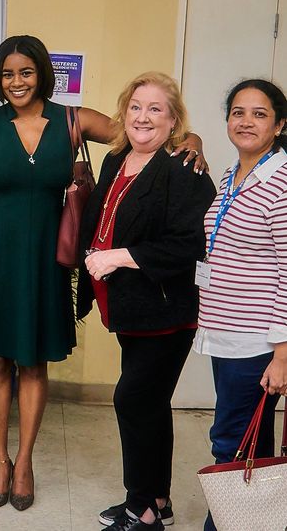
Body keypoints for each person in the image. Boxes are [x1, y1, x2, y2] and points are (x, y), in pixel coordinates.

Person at [0, 36, 206, 511]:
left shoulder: (73, 120)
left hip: (47, 257)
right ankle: (0, 460)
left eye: (25, 72)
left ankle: (25, 460)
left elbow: (139, 132)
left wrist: (192, 139)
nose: (16, 81)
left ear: (42, 73)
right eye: (7, 73)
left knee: (32, 360)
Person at [76, 72, 215, 531]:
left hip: (165, 312)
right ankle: (158, 498)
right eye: (136, 106)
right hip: (129, 308)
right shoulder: (117, 158)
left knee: (132, 400)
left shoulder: (183, 168)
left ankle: (144, 510)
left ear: (174, 119)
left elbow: (188, 245)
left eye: (156, 109)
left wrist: (119, 256)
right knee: (151, 404)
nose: (143, 116)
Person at [194, 79, 287, 531]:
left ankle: (226, 524)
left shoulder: (282, 182)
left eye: (259, 113)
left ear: (279, 124)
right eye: (238, 112)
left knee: (231, 442)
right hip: (227, 334)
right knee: (250, 445)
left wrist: (282, 354)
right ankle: (255, 522)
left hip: (255, 342)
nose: (246, 121)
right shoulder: (235, 174)